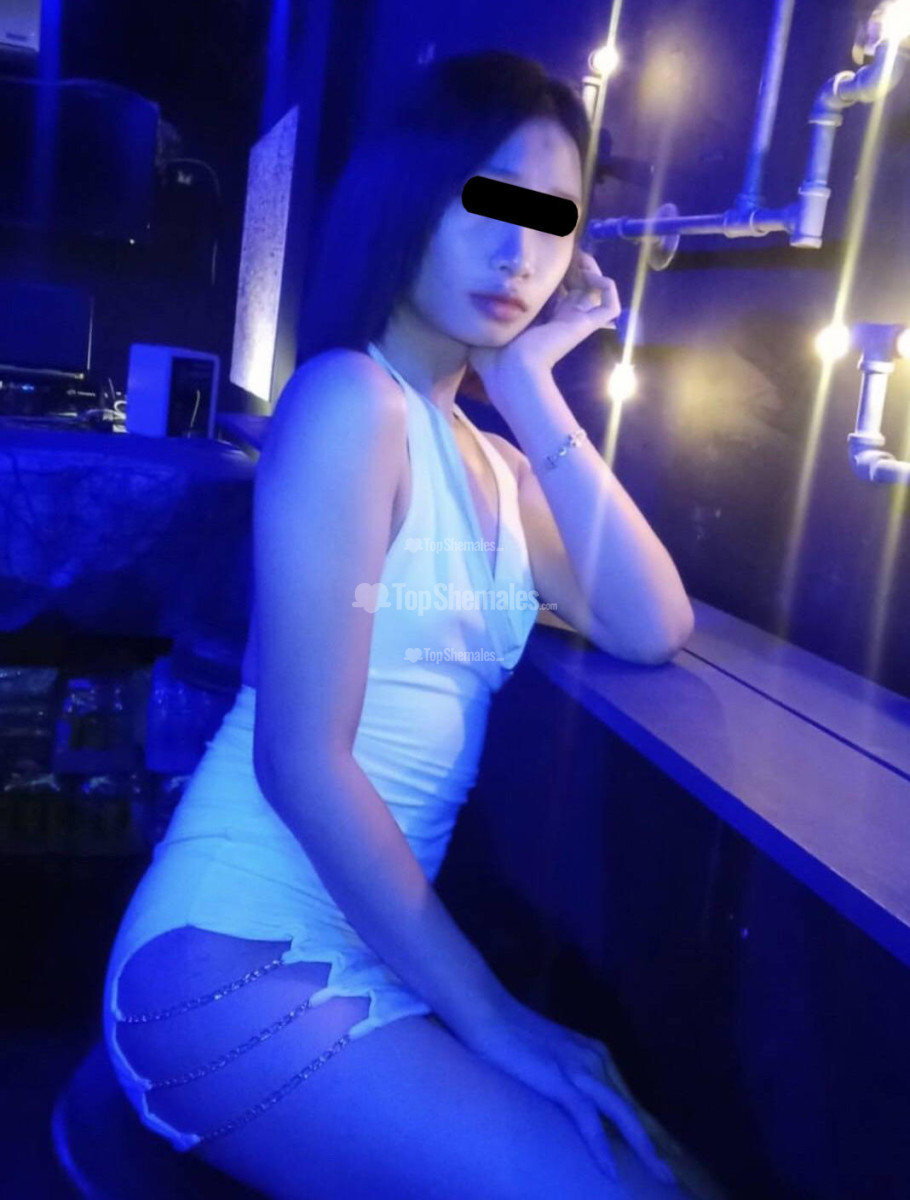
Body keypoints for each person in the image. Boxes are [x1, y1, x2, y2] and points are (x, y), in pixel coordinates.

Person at [101, 48, 713, 1200]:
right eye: (489, 200)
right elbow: (299, 760)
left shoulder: (489, 459)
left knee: (666, 1173)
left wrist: (528, 383)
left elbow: (650, 620)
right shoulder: (349, 401)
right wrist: (494, 1016)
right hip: (233, 958)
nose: (519, 252)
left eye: (552, 221)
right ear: (410, 191)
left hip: (379, 953)